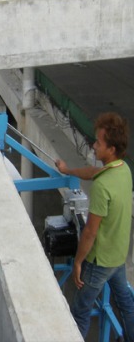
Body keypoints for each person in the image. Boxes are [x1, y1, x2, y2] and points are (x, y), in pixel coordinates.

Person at [56, 112, 134, 341]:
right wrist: (68, 170)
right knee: (126, 304)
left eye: (98, 142)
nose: (94, 145)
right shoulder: (123, 169)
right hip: (118, 256)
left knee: (80, 311)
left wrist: (79, 262)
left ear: (110, 149)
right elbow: (93, 173)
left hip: (99, 262)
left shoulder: (102, 188)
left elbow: (90, 232)